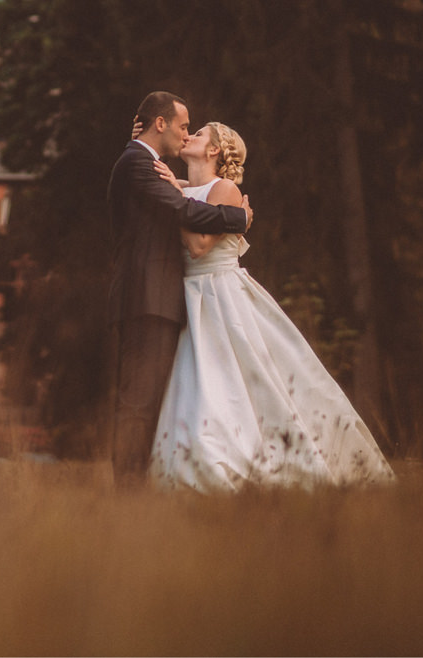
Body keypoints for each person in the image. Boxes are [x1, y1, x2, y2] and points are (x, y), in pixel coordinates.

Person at [149, 121, 395, 491]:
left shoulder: (226, 190)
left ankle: (247, 461)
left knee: (235, 382)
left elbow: (199, 246)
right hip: (187, 295)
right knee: (196, 383)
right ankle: (189, 460)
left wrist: (173, 197)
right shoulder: (182, 188)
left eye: (198, 134)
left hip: (219, 296)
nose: (189, 136)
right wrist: (173, 188)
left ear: (215, 150)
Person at [105, 91, 251, 485]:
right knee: (138, 402)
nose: (186, 136)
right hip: (147, 299)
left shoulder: (144, 162)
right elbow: (184, 211)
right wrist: (237, 217)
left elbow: (179, 201)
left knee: (151, 402)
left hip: (162, 298)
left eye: (194, 131)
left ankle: (139, 485)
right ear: (160, 124)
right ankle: (129, 491)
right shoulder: (139, 163)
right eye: (184, 126)